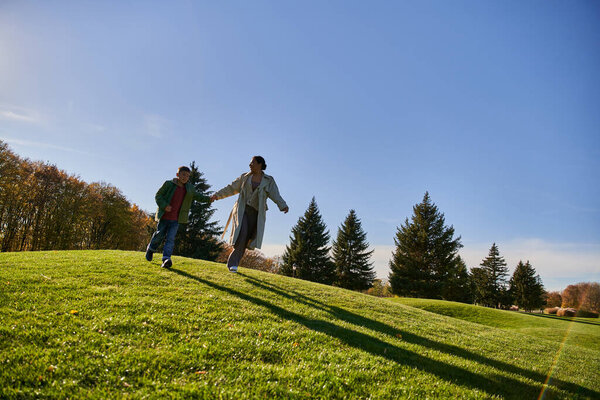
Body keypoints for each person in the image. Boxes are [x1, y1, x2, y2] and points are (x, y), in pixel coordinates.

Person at [210, 156, 288, 273]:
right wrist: (218, 195)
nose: (250, 165)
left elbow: (275, 194)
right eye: (250, 163)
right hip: (242, 210)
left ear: (260, 164)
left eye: (252, 163)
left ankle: (234, 263)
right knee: (242, 234)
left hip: (256, 213)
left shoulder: (268, 180)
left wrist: (282, 205)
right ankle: (233, 264)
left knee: (247, 239)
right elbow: (231, 188)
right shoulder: (244, 177)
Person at [145, 166, 210, 268]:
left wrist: (210, 199)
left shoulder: (190, 189)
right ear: (177, 175)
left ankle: (166, 259)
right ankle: (151, 249)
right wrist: (164, 205)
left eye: (188, 176)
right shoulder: (168, 184)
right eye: (183, 174)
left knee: (170, 239)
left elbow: (199, 197)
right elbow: (158, 196)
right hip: (164, 217)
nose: (185, 177)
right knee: (159, 236)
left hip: (176, 219)